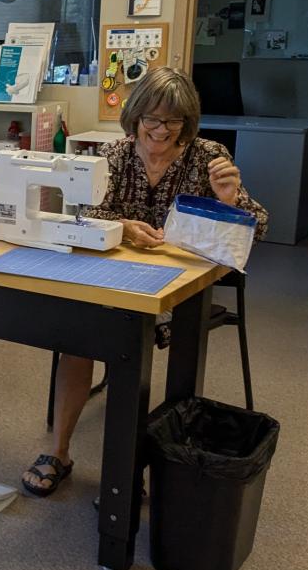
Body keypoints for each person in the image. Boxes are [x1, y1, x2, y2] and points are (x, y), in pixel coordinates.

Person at [23, 66, 268, 497]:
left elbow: (257, 227)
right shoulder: (115, 156)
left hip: (181, 287)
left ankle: (128, 470)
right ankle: (60, 452)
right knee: (76, 337)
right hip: (114, 276)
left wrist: (231, 201)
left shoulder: (207, 157)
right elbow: (82, 215)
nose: (160, 131)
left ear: (187, 122)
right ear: (135, 117)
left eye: (173, 121)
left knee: (127, 345)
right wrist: (123, 226)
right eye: (151, 119)